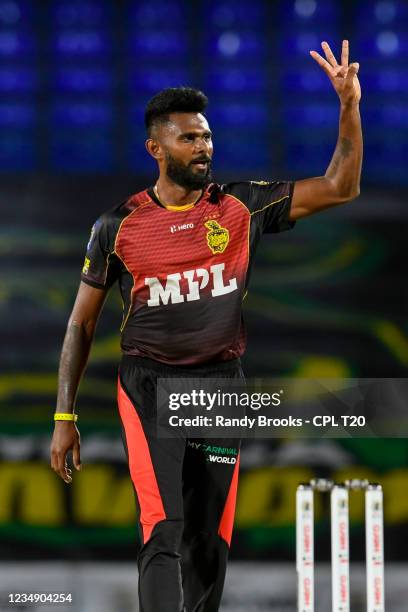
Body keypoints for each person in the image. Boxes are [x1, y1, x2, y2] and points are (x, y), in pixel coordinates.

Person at [50, 40, 362, 612]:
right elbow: (80, 324)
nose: (203, 147)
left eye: (207, 136)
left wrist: (348, 106)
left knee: (208, 540)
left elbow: (341, 186)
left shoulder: (239, 207)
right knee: (163, 525)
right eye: (188, 137)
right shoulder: (118, 226)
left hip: (221, 386)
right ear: (155, 147)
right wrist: (64, 415)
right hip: (147, 385)